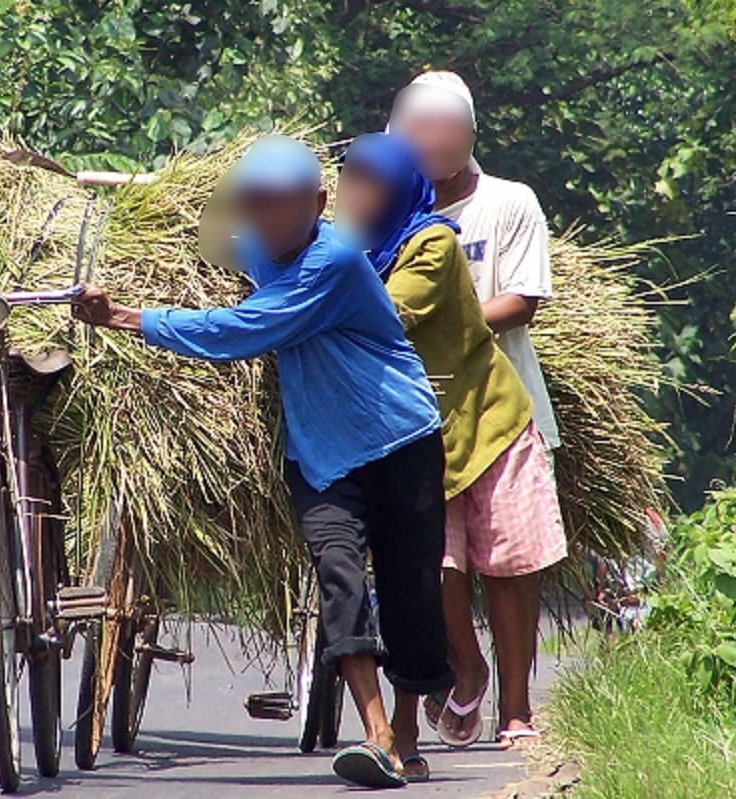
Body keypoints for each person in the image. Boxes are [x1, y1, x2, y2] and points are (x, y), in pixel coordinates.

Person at [72, 134, 455, 788]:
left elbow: (241, 330)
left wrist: (126, 317)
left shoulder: (332, 262)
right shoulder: (253, 246)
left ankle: (408, 728)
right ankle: (378, 734)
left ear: (318, 203)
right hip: (319, 454)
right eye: (257, 204)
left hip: (398, 439)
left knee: (410, 588)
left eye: (284, 205)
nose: (271, 218)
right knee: (338, 572)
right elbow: (200, 235)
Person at [334, 131, 567, 752]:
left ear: (402, 191)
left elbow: (382, 313)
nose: (357, 195)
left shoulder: (430, 242)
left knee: (508, 568)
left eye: (372, 184)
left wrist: (298, 303)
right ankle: (467, 667)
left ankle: (516, 709)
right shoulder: (342, 244)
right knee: (433, 569)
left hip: (483, 419)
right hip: (412, 428)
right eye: (349, 181)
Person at [389, 70, 561, 457]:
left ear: (469, 137)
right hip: (419, 424)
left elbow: (521, 302)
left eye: (443, 128)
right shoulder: (385, 211)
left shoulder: (509, 202)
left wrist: (441, 330)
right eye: (419, 129)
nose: (431, 141)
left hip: (505, 420)